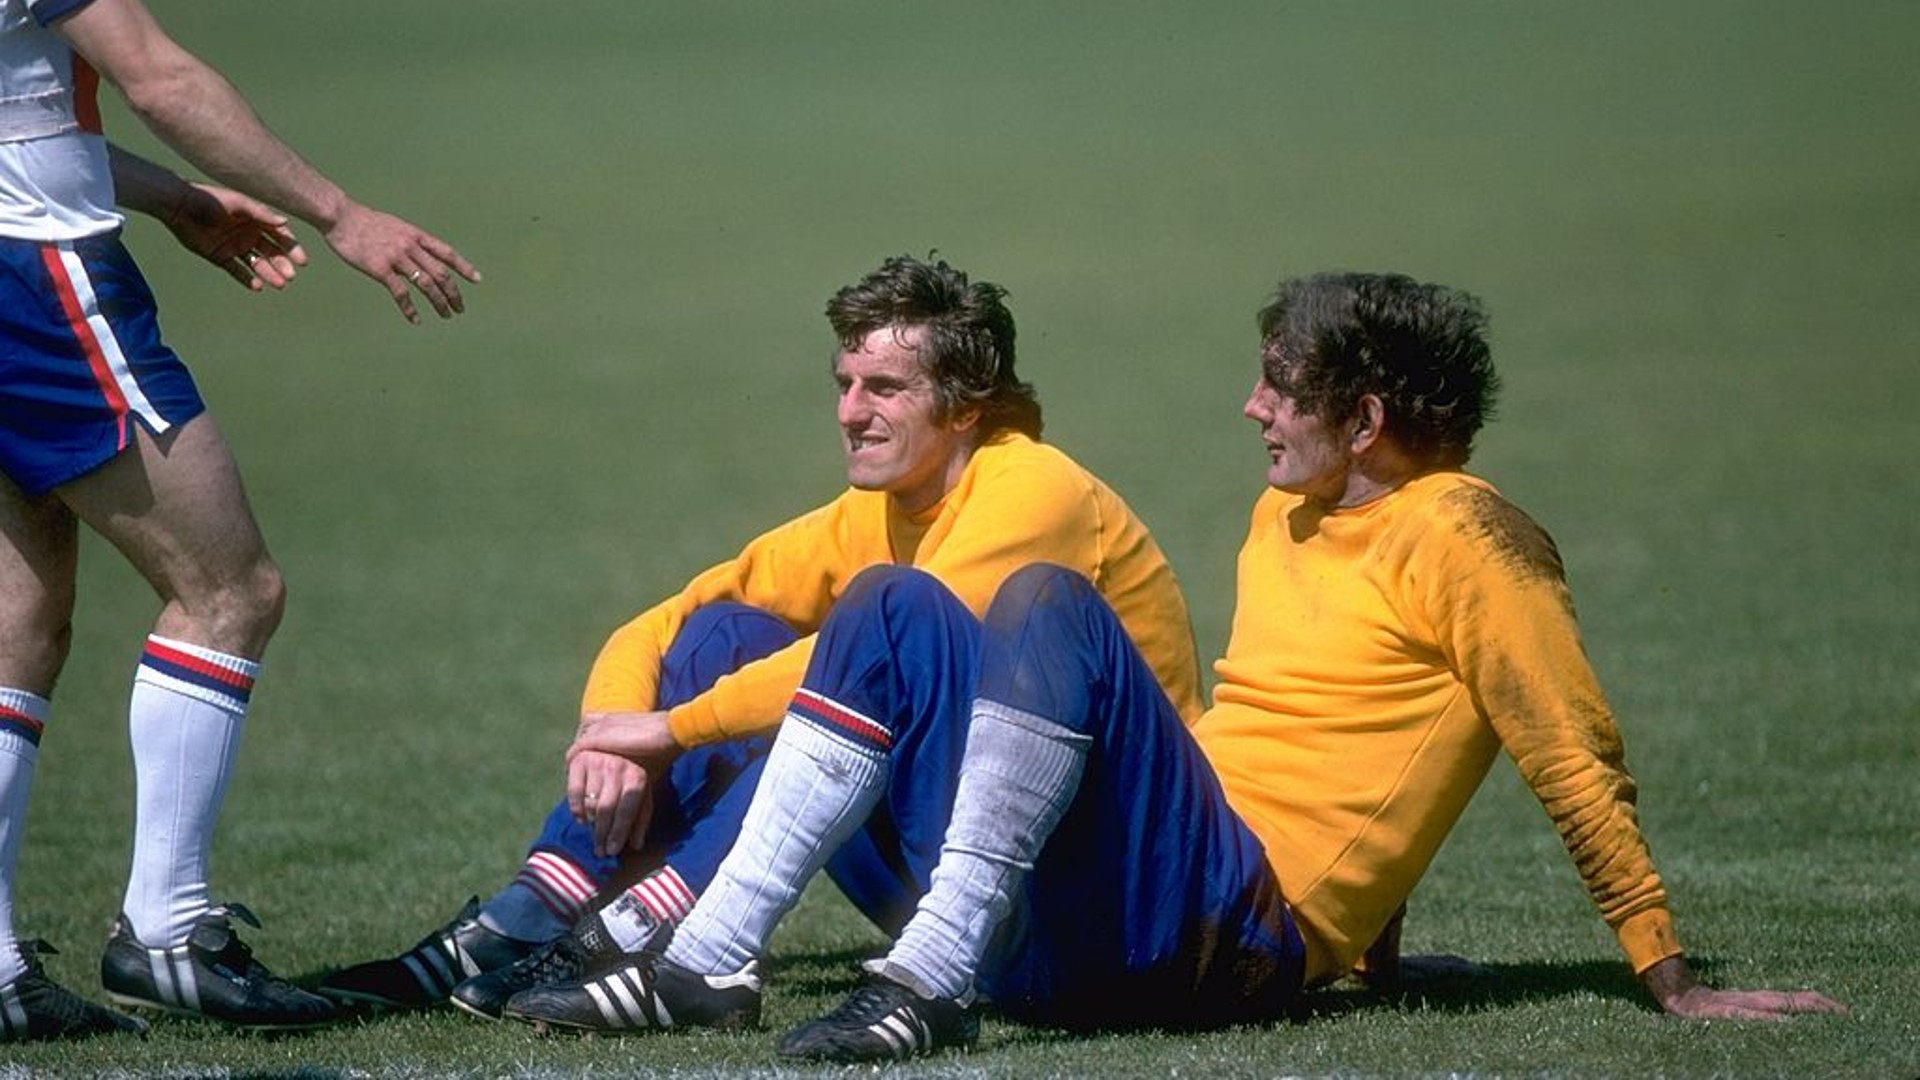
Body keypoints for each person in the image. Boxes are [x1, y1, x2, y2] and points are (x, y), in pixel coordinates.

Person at [509, 271, 1846, 1059]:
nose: (1253, 408)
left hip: (1226, 947)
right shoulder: (1292, 513)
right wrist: (1374, 948)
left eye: (1281, 384)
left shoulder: (1477, 539)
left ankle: (922, 979)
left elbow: (1567, 749)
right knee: (890, 605)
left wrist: (1668, 972)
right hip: (1130, 919)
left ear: (1365, 416)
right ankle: (715, 960)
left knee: (1046, 602)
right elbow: (1328, 743)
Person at [318, 253, 1203, 1022]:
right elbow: (665, 623)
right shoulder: (882, 508)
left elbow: (858, 664)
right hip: (982, 860)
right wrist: (612, 730)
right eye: (844, 384)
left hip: (1101, 884)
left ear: (968, 406)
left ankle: (655, 918)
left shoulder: (1034, 490)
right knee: (721, 634)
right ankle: (541, 902)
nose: (851, 412)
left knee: (870, 650)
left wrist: (670, 733)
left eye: (885, 388)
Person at [0, 0, 479, 1042]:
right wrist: (339, 213)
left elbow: (22, 116)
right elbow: (158, 76)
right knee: (230, 589)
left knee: (19, 625)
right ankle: (166, 931)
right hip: (36, 282)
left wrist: (172, 198)